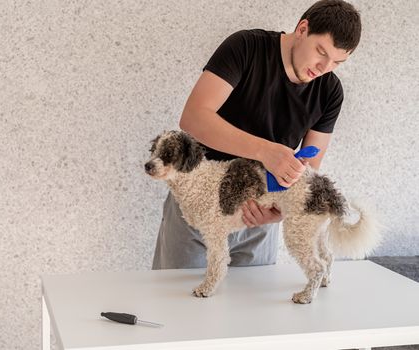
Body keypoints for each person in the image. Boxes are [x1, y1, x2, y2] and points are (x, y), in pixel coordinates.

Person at [152, 0, 361, 269]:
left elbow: (310, 166)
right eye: (321, 52)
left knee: (251, 308)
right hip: (201, 205)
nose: (324, 67)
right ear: (302, 28)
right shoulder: (245, 47)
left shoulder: (330, 91)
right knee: (175, 301)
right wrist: (265, 151)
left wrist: (277, 213)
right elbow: (193, 117)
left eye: (337, 62)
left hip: (258, 221)